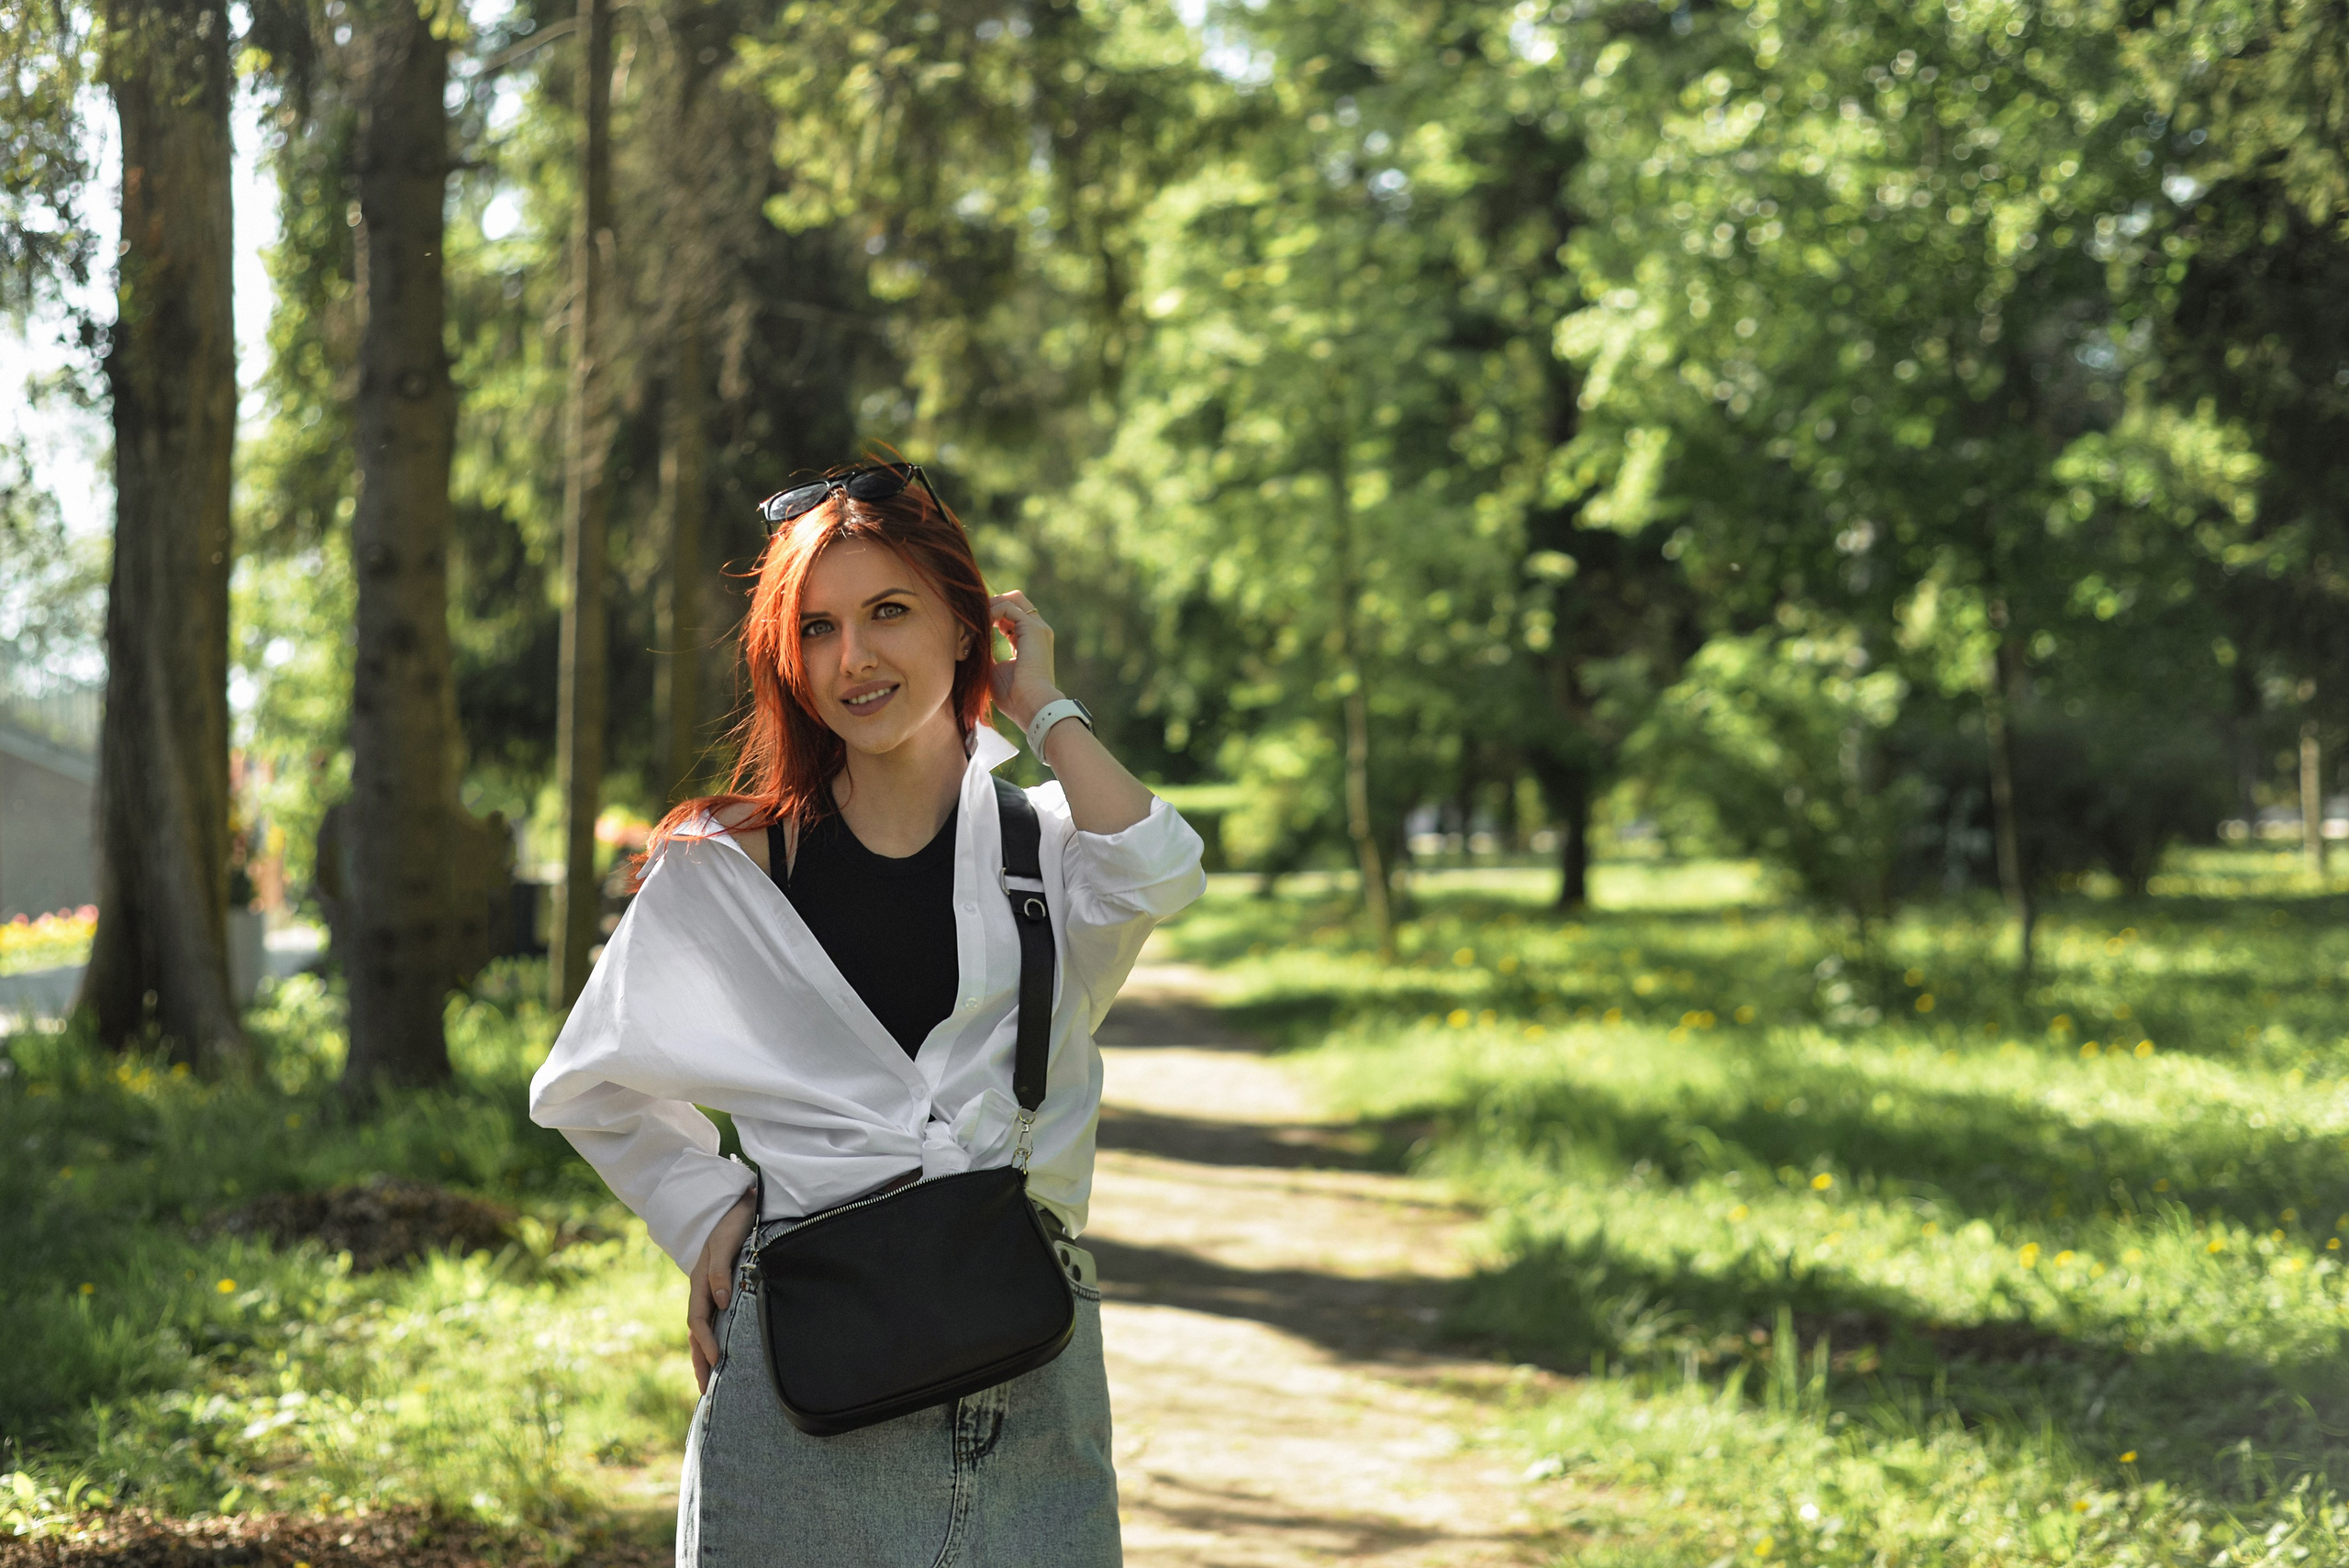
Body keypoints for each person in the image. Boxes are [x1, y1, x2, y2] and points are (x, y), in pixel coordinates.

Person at [528, 461, 1205, 1567]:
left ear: (963, 626)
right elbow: (591, 1081)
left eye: (889, 611)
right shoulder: (722, 871)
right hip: (803, 1402)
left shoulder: (1051, 847)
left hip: (1030, 1388)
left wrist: (1044, 708)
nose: (854, 658)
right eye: (819, 626)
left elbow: (1159, 870)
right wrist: (702, 1211)